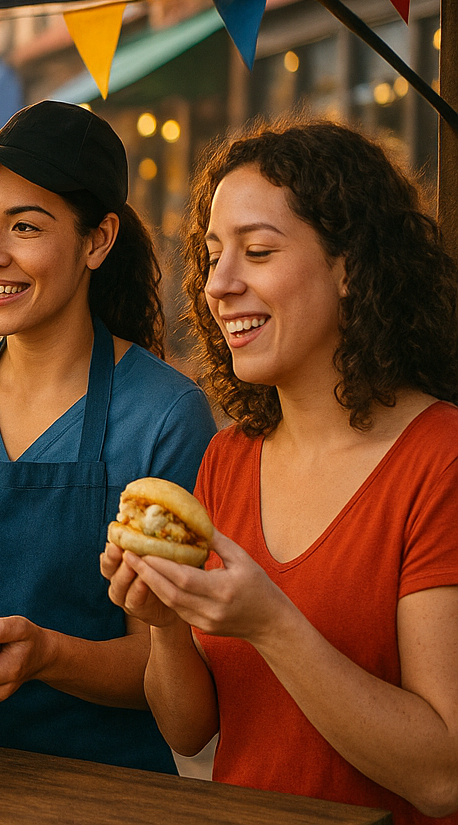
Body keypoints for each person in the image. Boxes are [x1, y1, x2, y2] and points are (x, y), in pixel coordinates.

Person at [103, 121, 458, 821]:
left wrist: (272, 625)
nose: (219, 285)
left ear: (350, 265)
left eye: (257, 251)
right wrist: (166, 624)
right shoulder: (227, 459)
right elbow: (189, 729)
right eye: (211, 256)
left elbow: (442, 776)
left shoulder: (440, 458)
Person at [0, 100, 217, 772]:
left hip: (99, 794)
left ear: (97, 241)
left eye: (25, 226)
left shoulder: (165, 414)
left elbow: (175, 675)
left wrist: (49, 656)